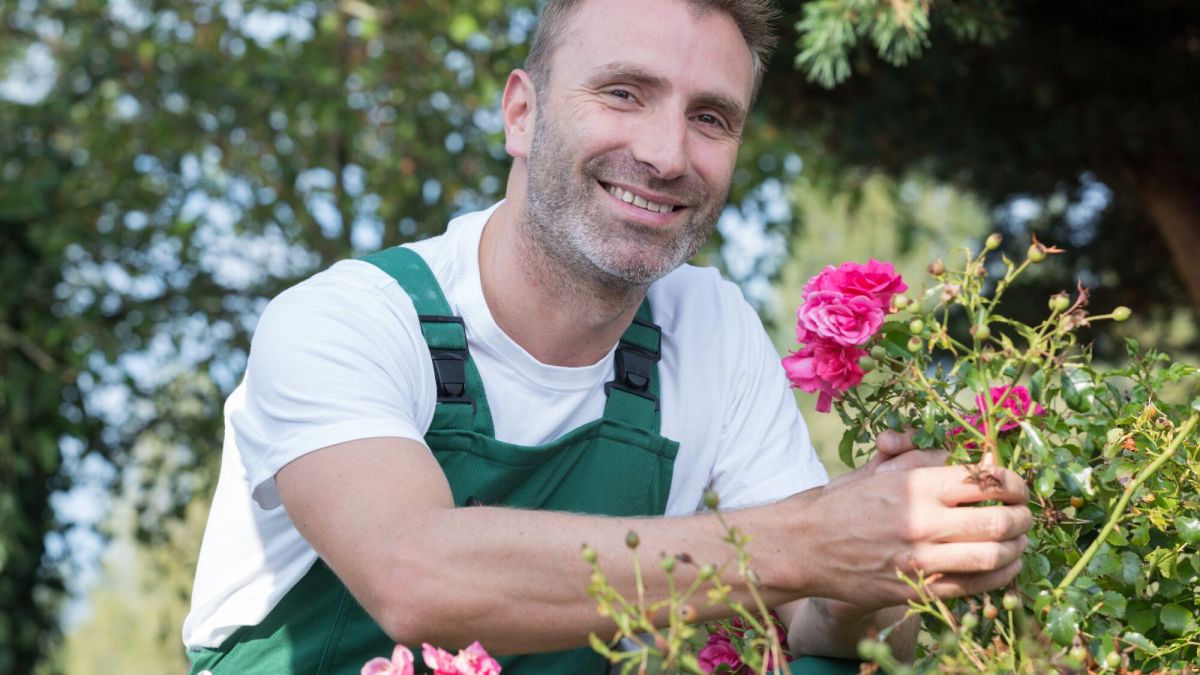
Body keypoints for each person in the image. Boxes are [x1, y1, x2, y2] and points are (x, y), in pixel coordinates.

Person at [182, 0, 1032, 673]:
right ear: (522, 114)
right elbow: (414, 573)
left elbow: (808, 621)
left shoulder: (709, 330)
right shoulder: (348, 317)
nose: (666, 154)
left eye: (711, 118)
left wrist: (883, 554)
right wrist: (813, 538)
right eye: (624, 93)